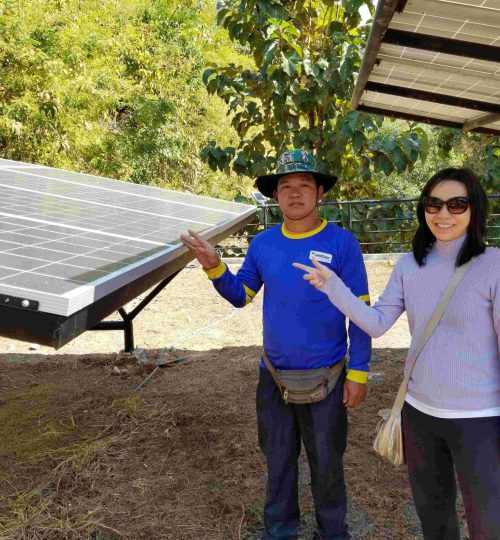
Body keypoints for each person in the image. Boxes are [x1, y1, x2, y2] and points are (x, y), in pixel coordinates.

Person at [294, 167, 500, 540]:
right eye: (434, 204)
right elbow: (376, 323)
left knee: (489, 523)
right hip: (419, 413)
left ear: (475, 210)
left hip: (481, 418)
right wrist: (334, 286)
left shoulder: (494, 265)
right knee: (434, 517)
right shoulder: (410, 265)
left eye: (457, 204)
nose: (443, 214)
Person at [181, 149, 372, 540]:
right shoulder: (264, 244)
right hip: (273, 379)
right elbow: (241, 295)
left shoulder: (342, 243)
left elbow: (362, 313)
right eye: (286, 186)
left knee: (327, 465)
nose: (295, 193)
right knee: (279, 461)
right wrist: (214, 265)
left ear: (320, 192)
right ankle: (280, 531)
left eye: (305, 185)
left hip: (330, 377)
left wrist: (359, 372)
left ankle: (333, 533)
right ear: (275, 195)